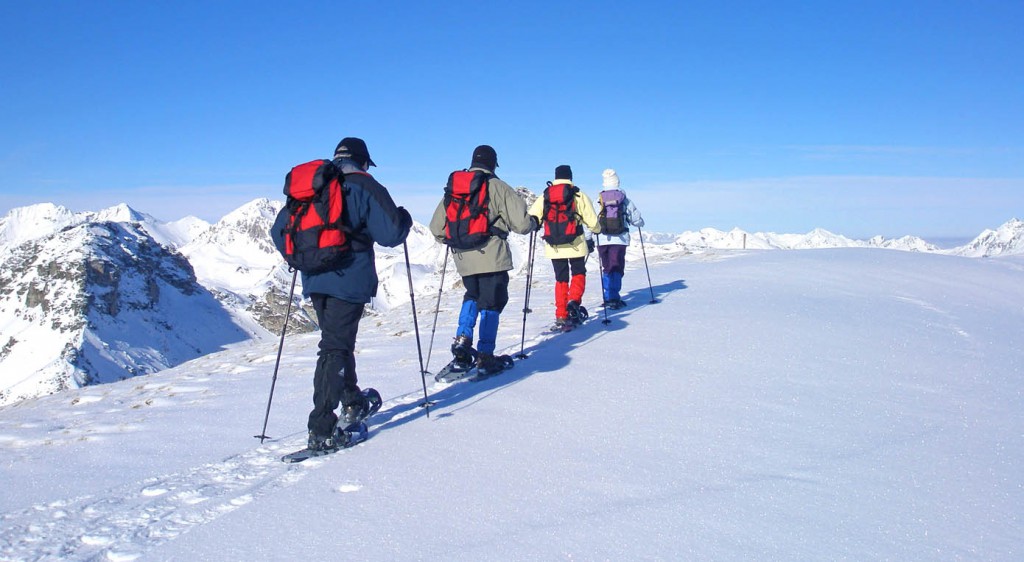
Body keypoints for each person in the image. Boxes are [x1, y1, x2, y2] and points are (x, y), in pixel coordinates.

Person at [271, 137, 412, 452]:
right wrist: (403, 220)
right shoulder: (364, 186)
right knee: (334, 348)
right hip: (349, 279)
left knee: (338, 342)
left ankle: (352, 400)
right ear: (363, 162)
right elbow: (391, 235)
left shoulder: (313, 186)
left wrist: (303, 258)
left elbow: (278, 231)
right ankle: (322, 426)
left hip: (314, 280)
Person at [428, 144, 536, 378]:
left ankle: (462, 342)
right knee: (491, 303)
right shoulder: (498, 187)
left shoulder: (454, 189)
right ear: (493, 163)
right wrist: (535, 221)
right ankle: (486, 355)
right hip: (492, 255)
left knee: (472, 296)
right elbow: (523, 224)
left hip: (463, 258)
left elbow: (436, 228)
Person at [528, 164, 601, 330]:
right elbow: (592, 221)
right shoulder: (578, 195)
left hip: (554, 245)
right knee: (578, 272)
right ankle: (573, 303)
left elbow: (533, 217)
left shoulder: (545, 196)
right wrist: (597, 230)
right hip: (576, 243)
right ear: (570, 177)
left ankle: (561, 314)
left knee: (561, 278)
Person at [595, 168, 644, 309]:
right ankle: (614, 297)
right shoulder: (624, 200)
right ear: (617, 182)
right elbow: (635, 219)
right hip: (620, 239)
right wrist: (640, 223)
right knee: (616, 267)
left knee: (607, 267)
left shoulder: (598, 200)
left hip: (603, 239)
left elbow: (592, 221)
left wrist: (589, 237)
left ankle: (608, 295)